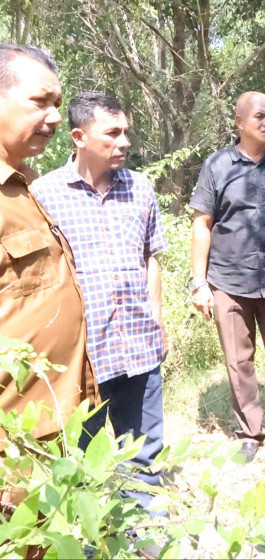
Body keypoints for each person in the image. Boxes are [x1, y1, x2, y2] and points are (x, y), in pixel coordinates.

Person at [31, 92, 168, 511]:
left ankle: (147, 536)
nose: (124, 141)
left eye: (126, 131)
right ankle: (89, 540)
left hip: (140, 346)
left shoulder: (140, 188)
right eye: (112, 133)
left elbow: (151, 258)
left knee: (144, 451)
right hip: (83, 355)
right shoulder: (44, 195)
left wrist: (158, 320)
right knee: (79, 457)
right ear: (78, 136)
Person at [190, 91, 265, 462]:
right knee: (239, 361)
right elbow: (202, 223)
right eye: (260, 117)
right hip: (227, 280)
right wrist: (199, 282)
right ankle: (250, 432)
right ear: (240, 123)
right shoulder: (217, 166)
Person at [0, 43, 97, 449]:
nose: (55, 116)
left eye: (57, 103)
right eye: (40, 101)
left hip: (56, 424)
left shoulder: (24, 186)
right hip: (14, 444)